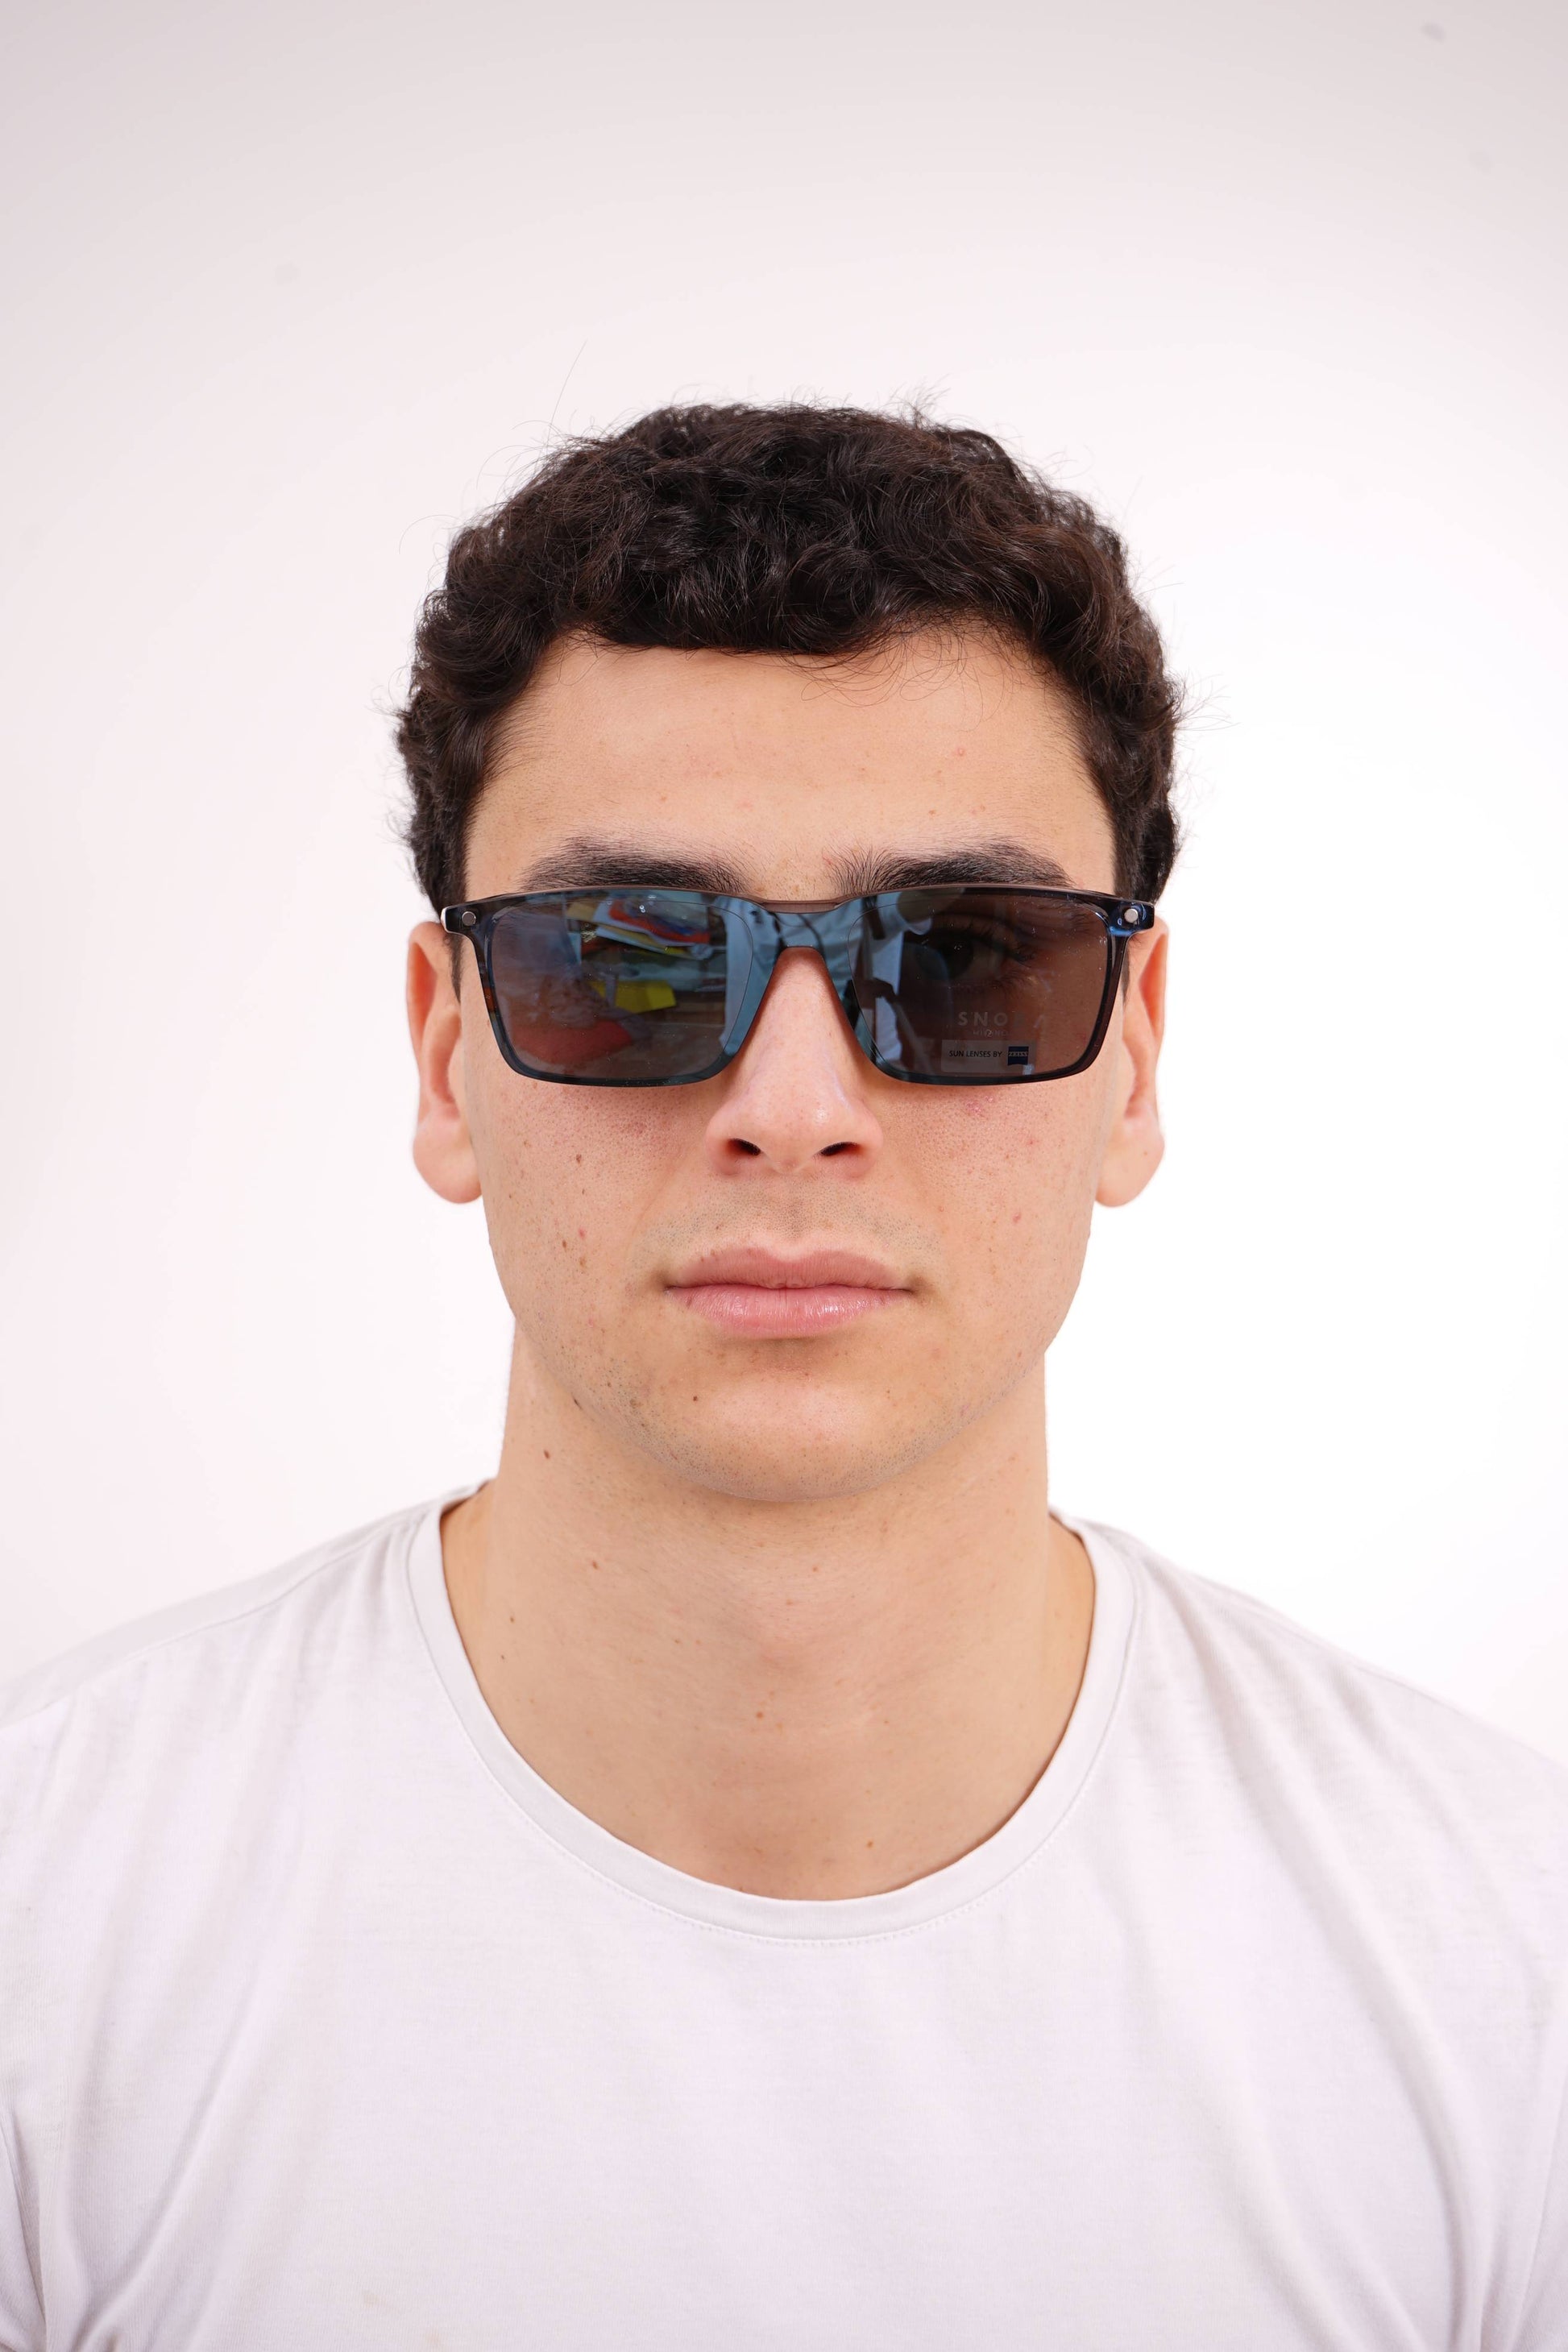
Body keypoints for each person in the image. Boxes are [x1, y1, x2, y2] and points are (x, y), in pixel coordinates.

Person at [2, 403, 1564, 2350]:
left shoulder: (1504, 1964)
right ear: (444, 1050)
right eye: (632, 957)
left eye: (966, 958)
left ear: (1135, 1056)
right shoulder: (45, 1927)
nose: (795, 1105)